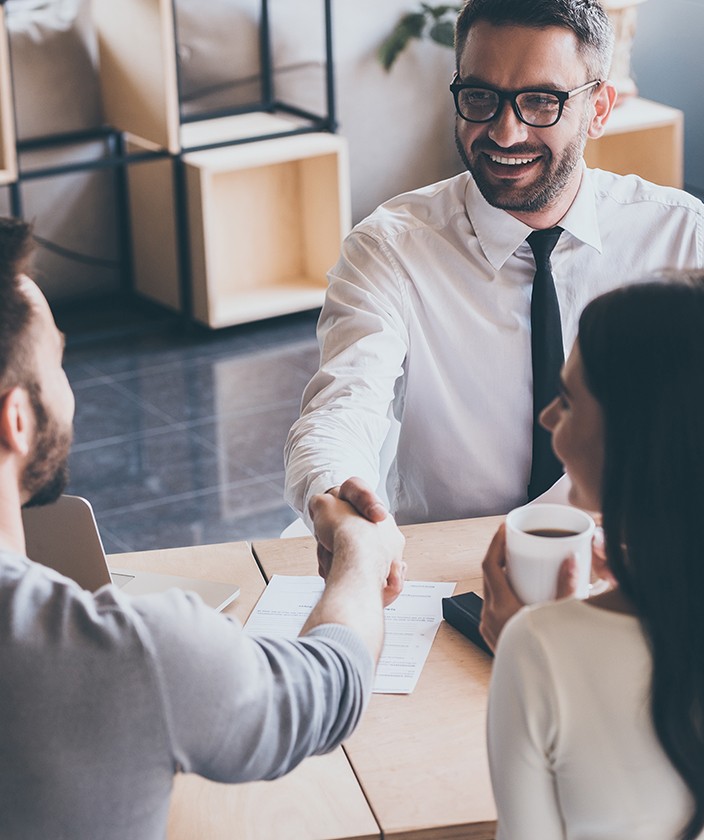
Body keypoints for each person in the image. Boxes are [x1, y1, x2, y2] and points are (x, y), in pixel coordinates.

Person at [0, 217, 406, 839]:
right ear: (17, 421)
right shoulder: (125, 653)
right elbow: (331, 686)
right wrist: (359, 549)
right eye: (57, 357)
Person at [284, 0, 704, 530]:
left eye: (540, 101)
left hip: (634, 553)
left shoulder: (682, 235)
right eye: (481, 97)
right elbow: (341, 407)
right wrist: (335, 497)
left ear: (598, 109)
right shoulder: (389, 248)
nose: (505, 134)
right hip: (448, 560)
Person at [483, 270, 704, 839]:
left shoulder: (539, 649)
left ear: (638, 437)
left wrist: (532, 640)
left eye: (565, 400)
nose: (546, 418)